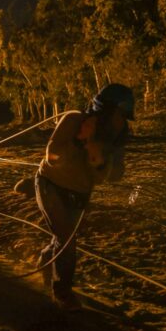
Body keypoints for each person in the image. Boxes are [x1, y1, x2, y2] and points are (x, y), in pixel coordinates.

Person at [34, 83, 134, 311]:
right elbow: (51, 156)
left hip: (79, 194)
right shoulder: (72, 120)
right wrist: (79, 141)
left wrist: (98, 160)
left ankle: (44, 262)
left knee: (62, 238)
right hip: (51, 186)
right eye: (119, 115)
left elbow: (113, 175)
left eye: (124, 117)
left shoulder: (115, 137)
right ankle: (63, 293)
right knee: (67, 239)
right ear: (105, 111)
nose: (121, 121)